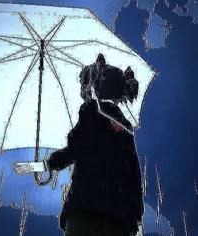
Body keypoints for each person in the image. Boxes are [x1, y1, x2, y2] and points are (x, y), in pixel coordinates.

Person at [46, 54, 144, 236]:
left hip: (87, 208)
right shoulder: (125, 127)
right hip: (119, 219)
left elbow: (78, 147)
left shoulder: (91, 112)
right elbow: (134, 172)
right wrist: (135, 217)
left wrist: (51, 162)